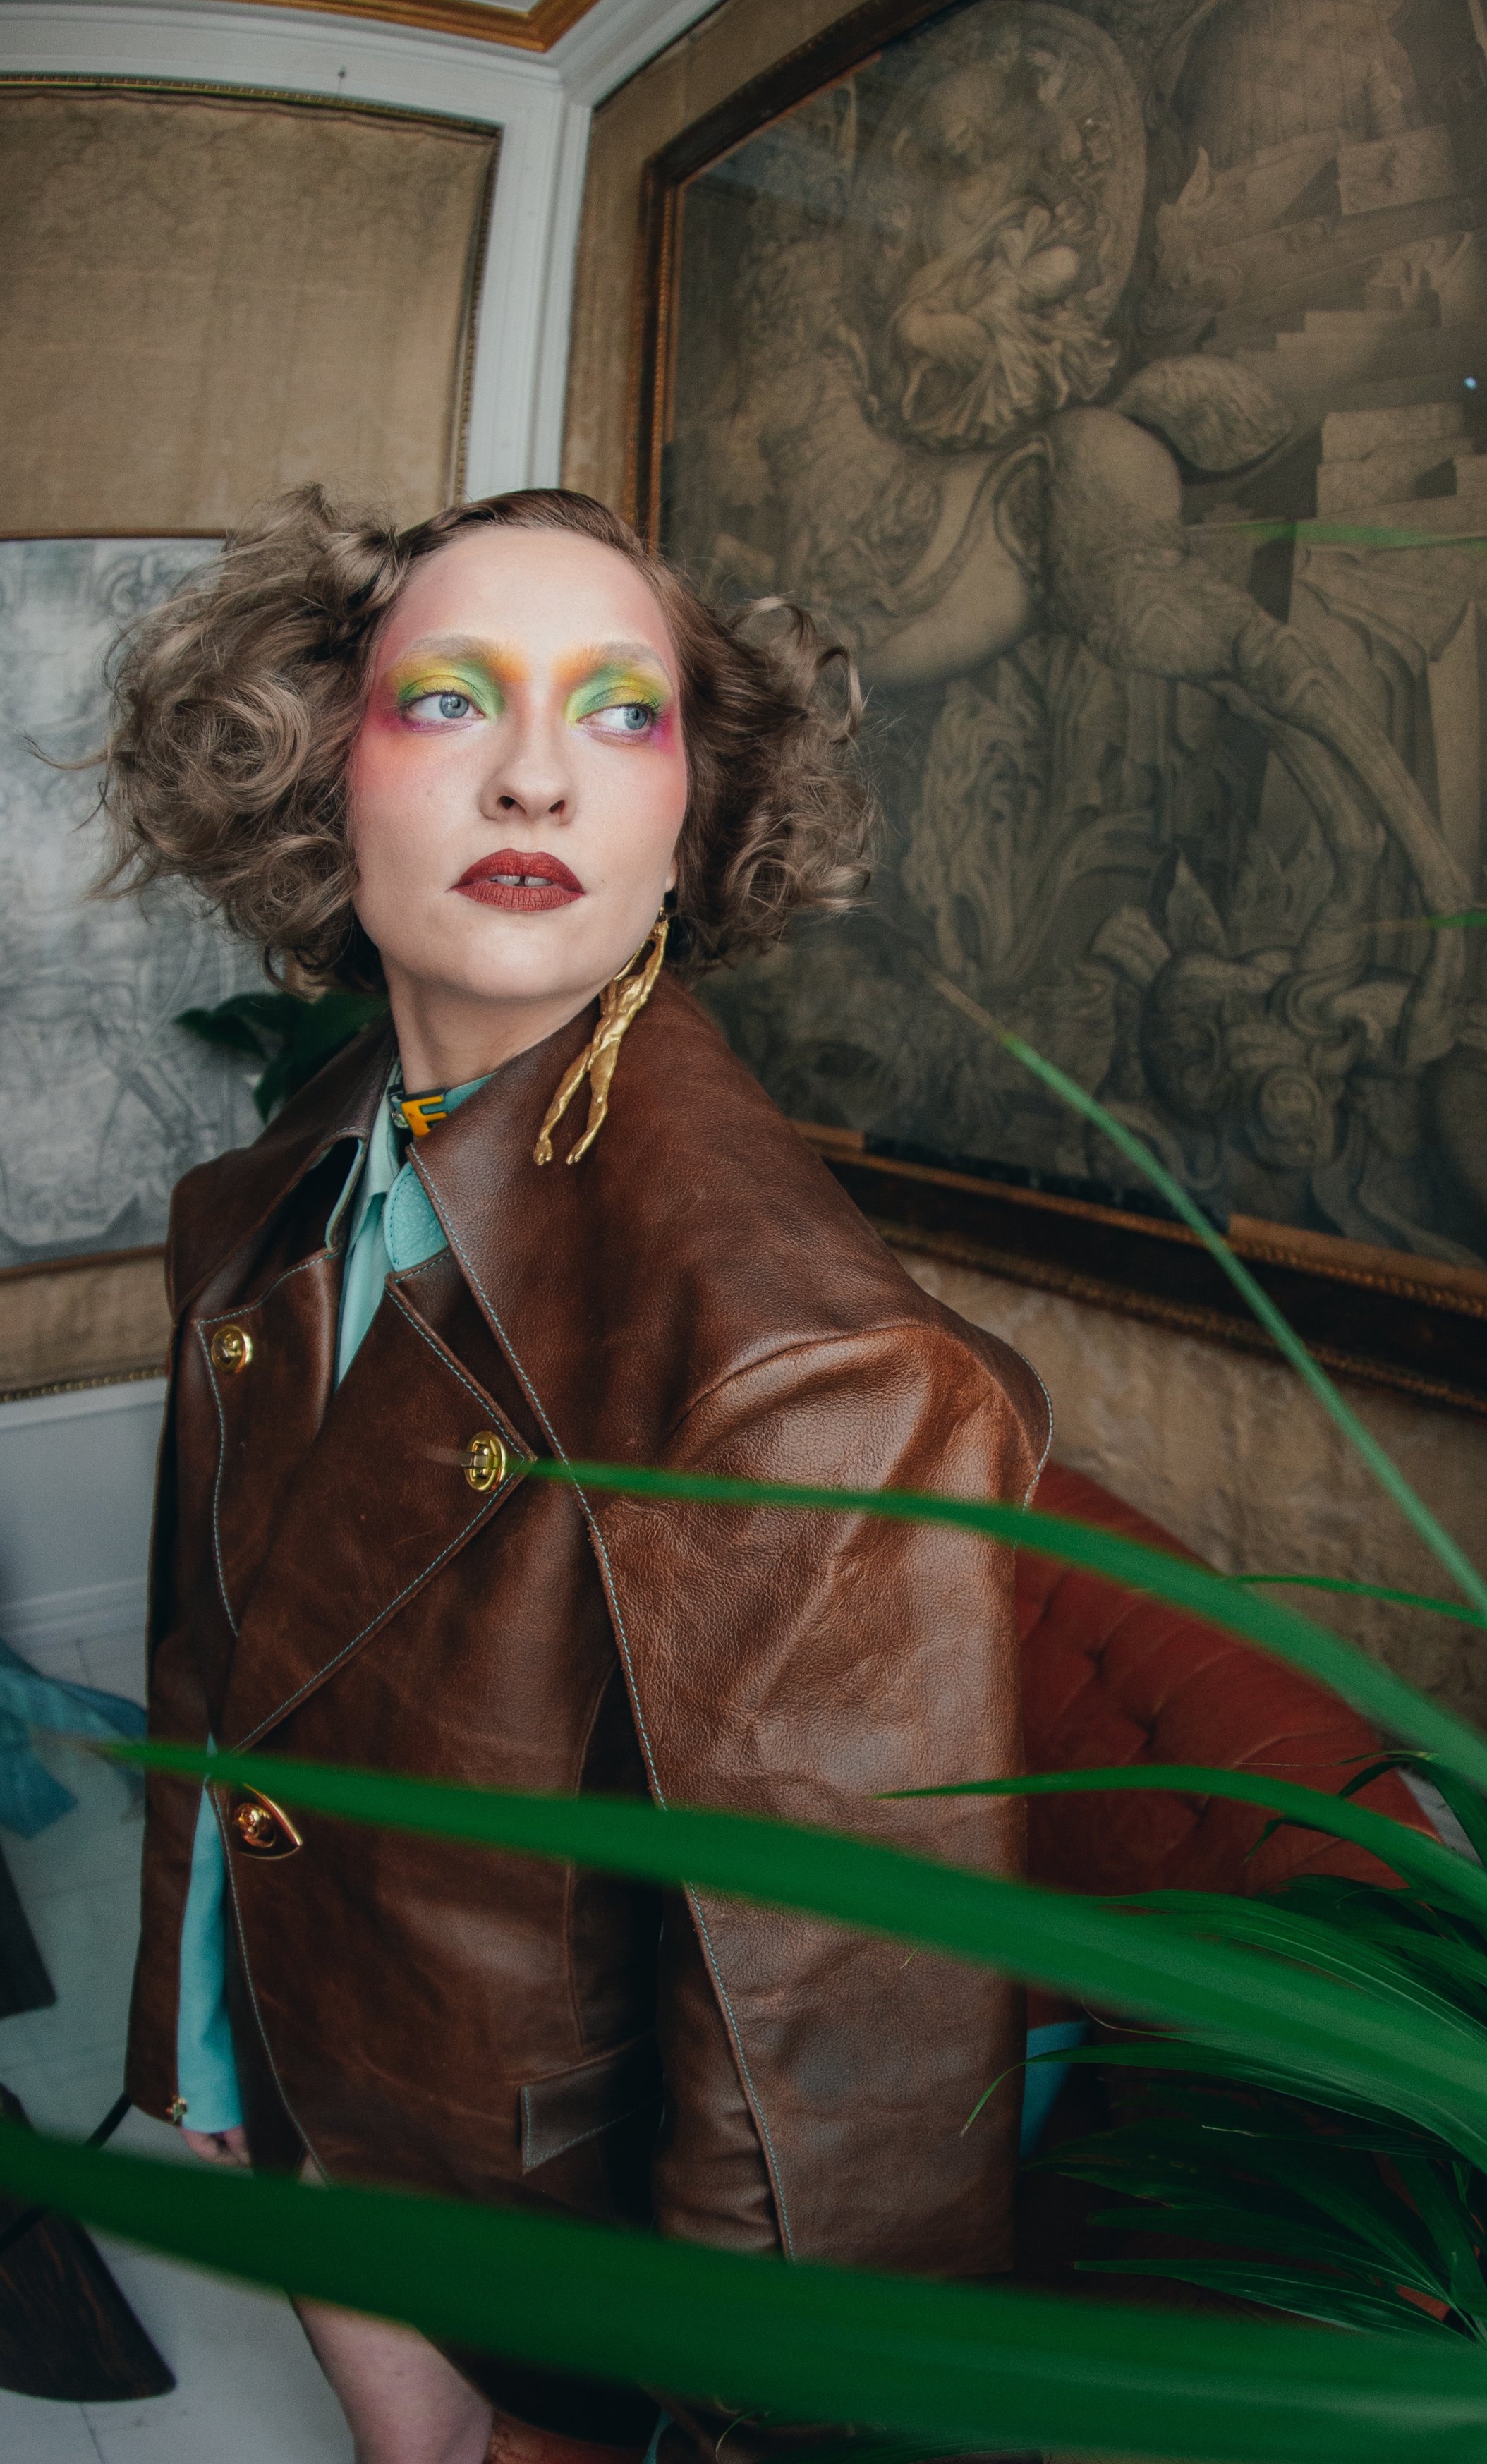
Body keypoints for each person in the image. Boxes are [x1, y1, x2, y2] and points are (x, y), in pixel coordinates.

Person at [102, 486, 1050, 2464]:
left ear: (697, 819)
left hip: (534, 2216)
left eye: (621, 718)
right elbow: (222, 1656)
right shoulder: (266, 1198)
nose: (535, 777)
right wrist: (201, 2025)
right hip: (328, 2088)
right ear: (311, 774)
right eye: (448, 703)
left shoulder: (818, 1381)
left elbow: (833, 2161)